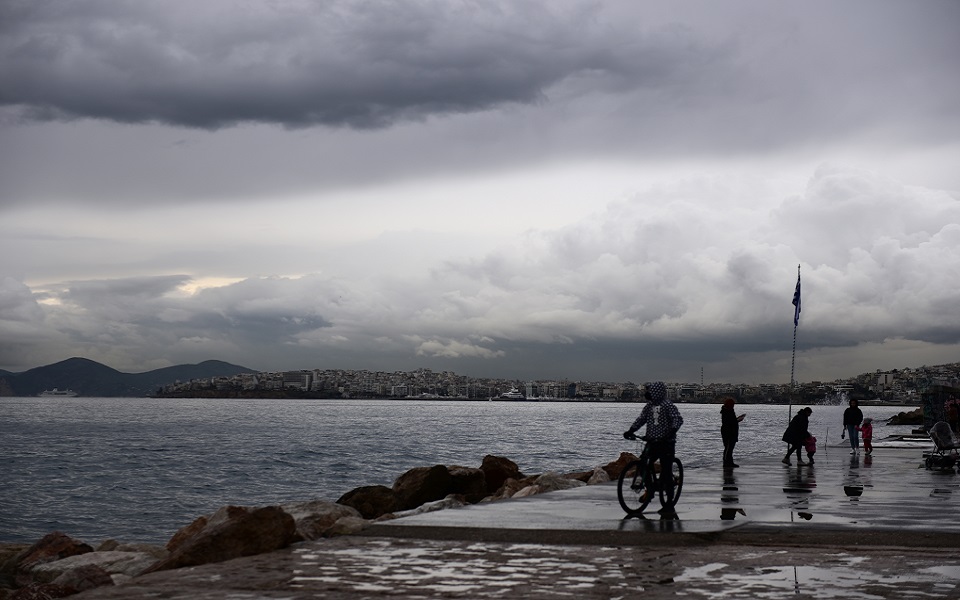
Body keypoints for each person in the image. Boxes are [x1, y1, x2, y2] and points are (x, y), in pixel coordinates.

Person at [623, 381, 684, 511]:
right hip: (651, 441)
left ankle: (669, 503)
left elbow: (677, 419)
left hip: (666, 443)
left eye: (650, 391)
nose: (648, 394)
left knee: (666, 470)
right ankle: (649, 490)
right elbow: (641, 419)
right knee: (643, 463)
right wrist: (631, 430)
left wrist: (671, 432)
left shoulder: (668, 405)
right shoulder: (649, 406)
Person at [720, 396, 745, 468]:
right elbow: (729, 422)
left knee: (729, 448)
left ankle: (729, 462)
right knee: (728, 448)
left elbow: (731, 421)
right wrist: (738, 420)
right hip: (728, 431)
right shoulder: (727, 412)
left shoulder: (727, 411)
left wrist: (737, 420)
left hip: (730, 431)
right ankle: (727, 463)